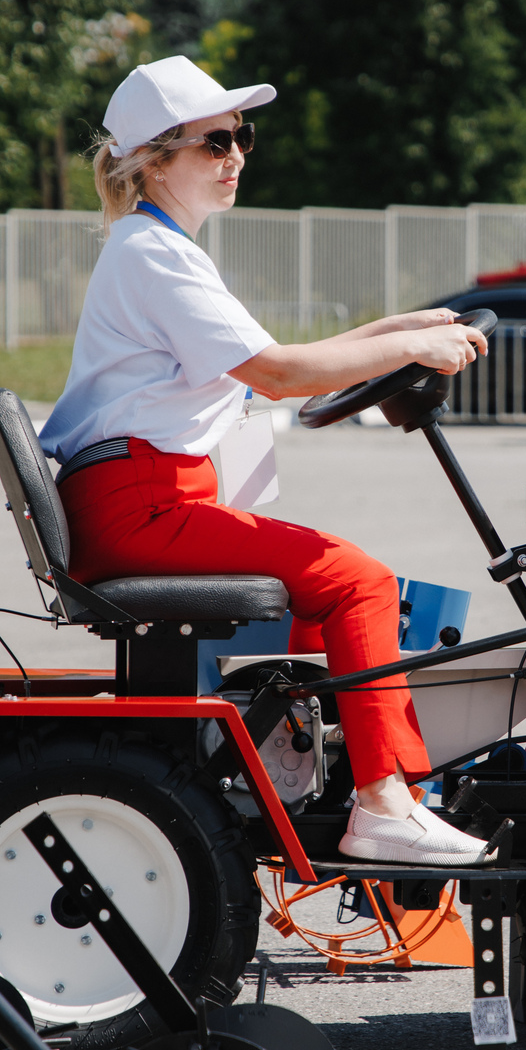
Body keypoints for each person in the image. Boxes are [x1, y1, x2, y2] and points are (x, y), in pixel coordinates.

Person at [40, 55, 489, 866]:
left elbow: (272, 358)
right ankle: (384, 803)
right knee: (361, 582)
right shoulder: (155, 255)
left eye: (241, 136)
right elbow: (280, 375)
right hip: (143, 505)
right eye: (214, 142)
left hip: (144, 498)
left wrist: (397, 330)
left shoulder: (157, 247)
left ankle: (350, 781)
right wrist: (414, 347)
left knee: (366, 611)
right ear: (156, 160)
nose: (236, 156)